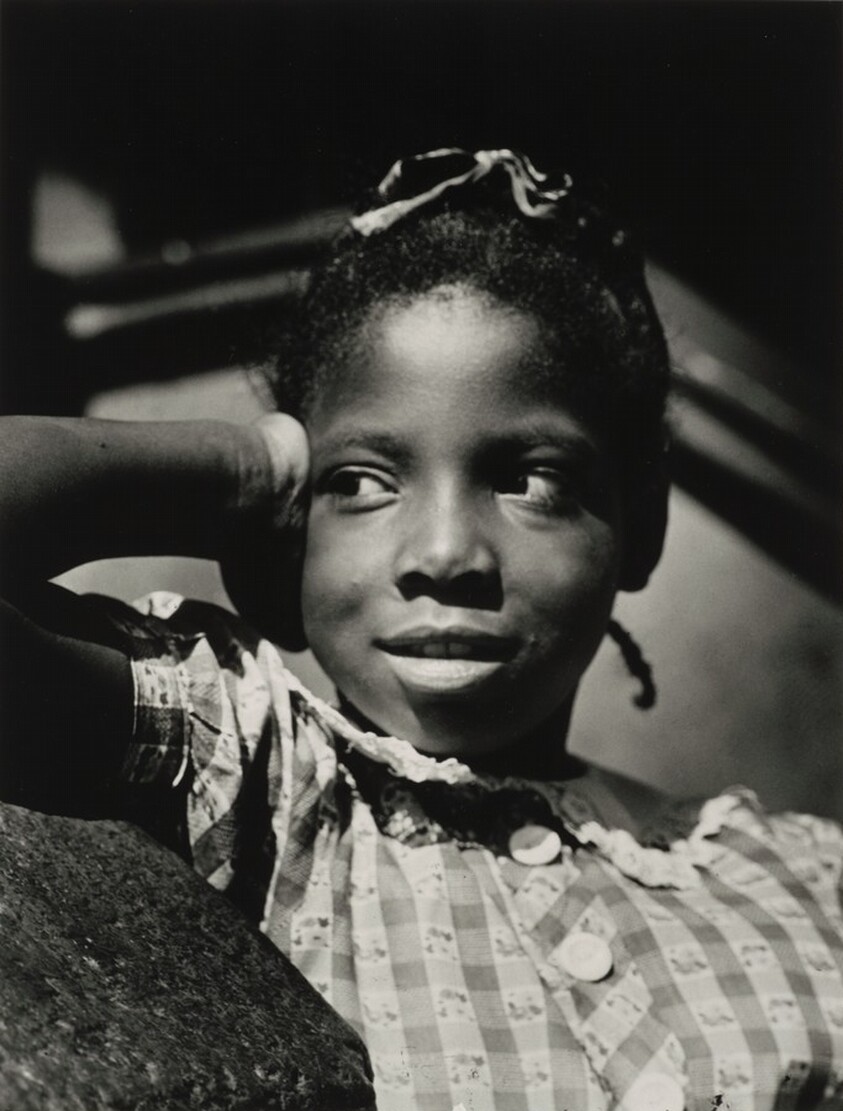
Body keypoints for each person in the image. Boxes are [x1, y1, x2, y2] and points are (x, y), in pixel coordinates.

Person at [2, 148, 842, 1111]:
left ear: (638, 528)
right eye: (359, 482)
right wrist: (243, 468)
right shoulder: (262, 773)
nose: (444, 552)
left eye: (530, 477)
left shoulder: (794, 877)